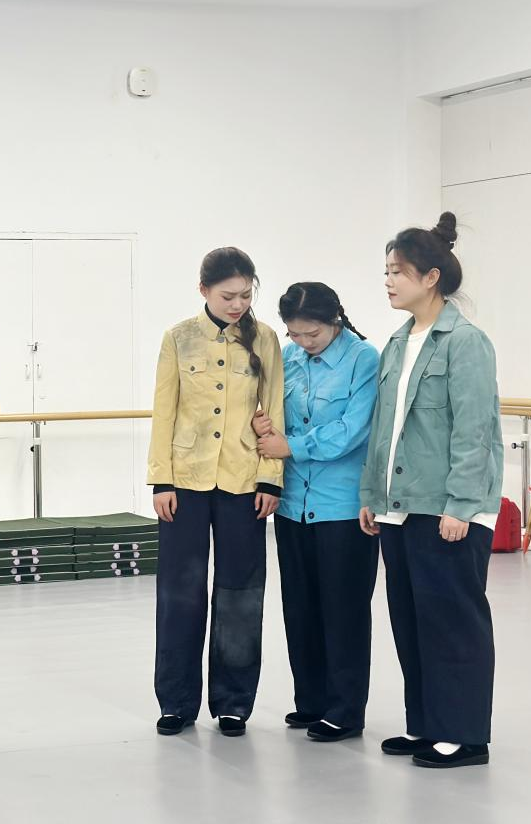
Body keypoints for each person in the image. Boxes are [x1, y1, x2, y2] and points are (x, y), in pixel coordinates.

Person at [359, 212, 502, 769]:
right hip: (400, 507)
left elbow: (474, 430)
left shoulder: (466, 343)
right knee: (412, 620)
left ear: (431, 277)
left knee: (453, 623)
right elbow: (384, 429)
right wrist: (372, 495)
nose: (389, 281)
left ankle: (464, 735)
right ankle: (426, 725)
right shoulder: (398, 343)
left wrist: (461, 504)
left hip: (447, 508)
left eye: (398, 271)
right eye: (387, 272)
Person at [147, 246, 284, 738]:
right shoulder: (178, 338)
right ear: (203, 290)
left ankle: (233, 703)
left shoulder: (265, 339)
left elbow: (274, 409)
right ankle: (176, 702)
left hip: (244, 481)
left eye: (246, 295)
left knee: (241, 594)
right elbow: (164, 410)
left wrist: (271, 477)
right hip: (185, 481)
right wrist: (161, 479)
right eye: (228, 296)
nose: (238, 305)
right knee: (179, 593)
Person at [251, 282, 379, 742]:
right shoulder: (288, 357)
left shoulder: (364, 360)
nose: (304, 342)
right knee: (300, 608)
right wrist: (264, 424)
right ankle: (311, 701)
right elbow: (274, 415)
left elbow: (353, 429)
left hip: (343, 507)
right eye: (295, 334)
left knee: (343, 611)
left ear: (335, 321)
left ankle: (345, 711)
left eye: (314, 334)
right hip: (293, 507)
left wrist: (291, 446)